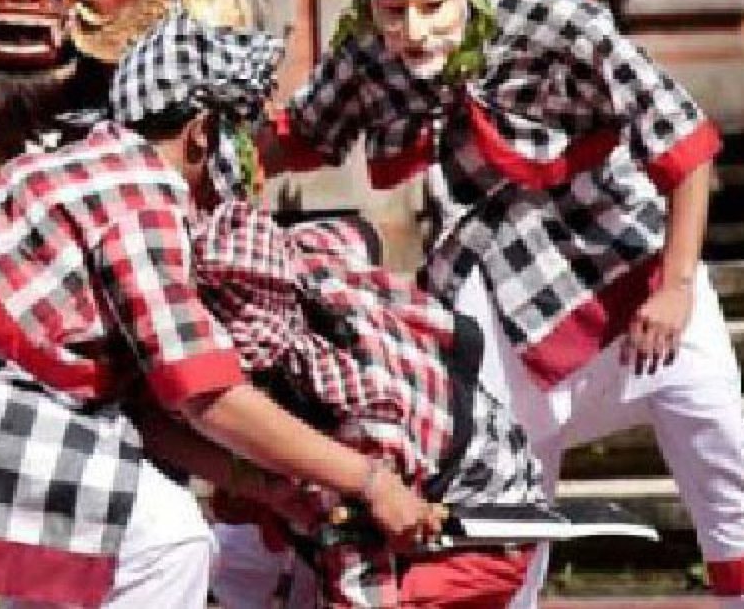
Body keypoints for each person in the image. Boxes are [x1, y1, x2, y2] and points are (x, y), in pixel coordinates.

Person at [249, 0, 744, 609]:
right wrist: (198, 167)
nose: (416, 31)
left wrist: (676, 286)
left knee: (723, 454)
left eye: (432, 6)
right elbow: (298, 136)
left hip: (630, 262)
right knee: (500, 492)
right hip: (496, 289)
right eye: (395, 11)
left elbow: (683, 145)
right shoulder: (371, 44)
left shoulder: (561, 22)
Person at [0, 14, 443, 609]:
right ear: (202, 133)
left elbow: (140, 410)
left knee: (107, 546)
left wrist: (267, 485)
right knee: (168, 542)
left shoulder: (96, 162)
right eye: (241, 137)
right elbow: (207, 395)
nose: (248, 162)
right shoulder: (138, 198)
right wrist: (369, 480)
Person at [185, 198, 543, 609]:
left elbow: (361, 581)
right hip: (434, 462)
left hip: (477, 535)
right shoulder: (305, 253)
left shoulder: (352, 419)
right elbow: (363, 232)